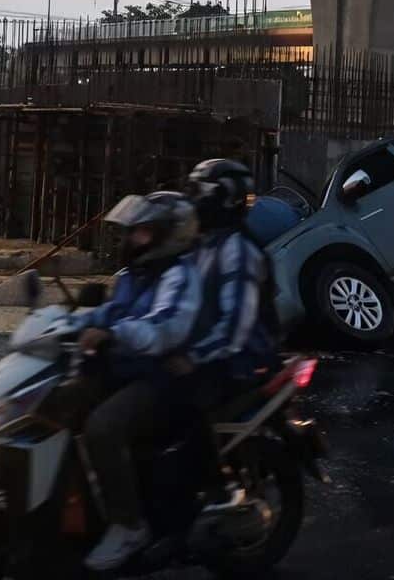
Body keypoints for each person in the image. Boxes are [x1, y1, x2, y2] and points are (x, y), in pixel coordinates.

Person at [43, 190, 203, 571]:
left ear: (169, 235)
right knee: (50, 404)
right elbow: (108, 313)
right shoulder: (135, 275)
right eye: (133, 232)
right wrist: (58, 323)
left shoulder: (179, 276)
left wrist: (116, 335)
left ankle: (129, 524)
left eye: (142, 233)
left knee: (102, 427)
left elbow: (165, 327)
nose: (132, 239)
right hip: (123, 369)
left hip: (160, 378)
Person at [180, 159, 282, 498]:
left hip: (240, 360)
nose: (192, 199)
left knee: (173, 403)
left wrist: (191, 356)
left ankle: (204, 492)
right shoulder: (206, 243)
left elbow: (234, 329)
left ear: (223, 197)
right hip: (216, 353)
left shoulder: (238, 249)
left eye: (198, 191)